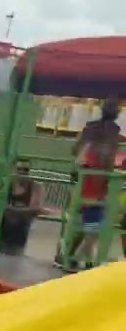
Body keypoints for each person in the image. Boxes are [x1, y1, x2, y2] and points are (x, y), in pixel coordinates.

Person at [62, 100, 120, 270]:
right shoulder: (110, 133)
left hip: (90, 181)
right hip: (93, 183)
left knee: (90, 226)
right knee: (92, 228)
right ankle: (79, 258)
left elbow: (77, 151)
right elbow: (104, 158)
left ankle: (81, 258)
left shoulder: (95, 130)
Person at [0, 159, 42, 255]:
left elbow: (34, 209)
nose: (22, 172)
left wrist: (11, 210)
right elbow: (0, 206)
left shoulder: (34, 186)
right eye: (19, 169)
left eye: (25, 170)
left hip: (20, 230)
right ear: (14, 169)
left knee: (15, 255)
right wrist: (23, 211)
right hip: (2, 229)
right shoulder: (7, 184)